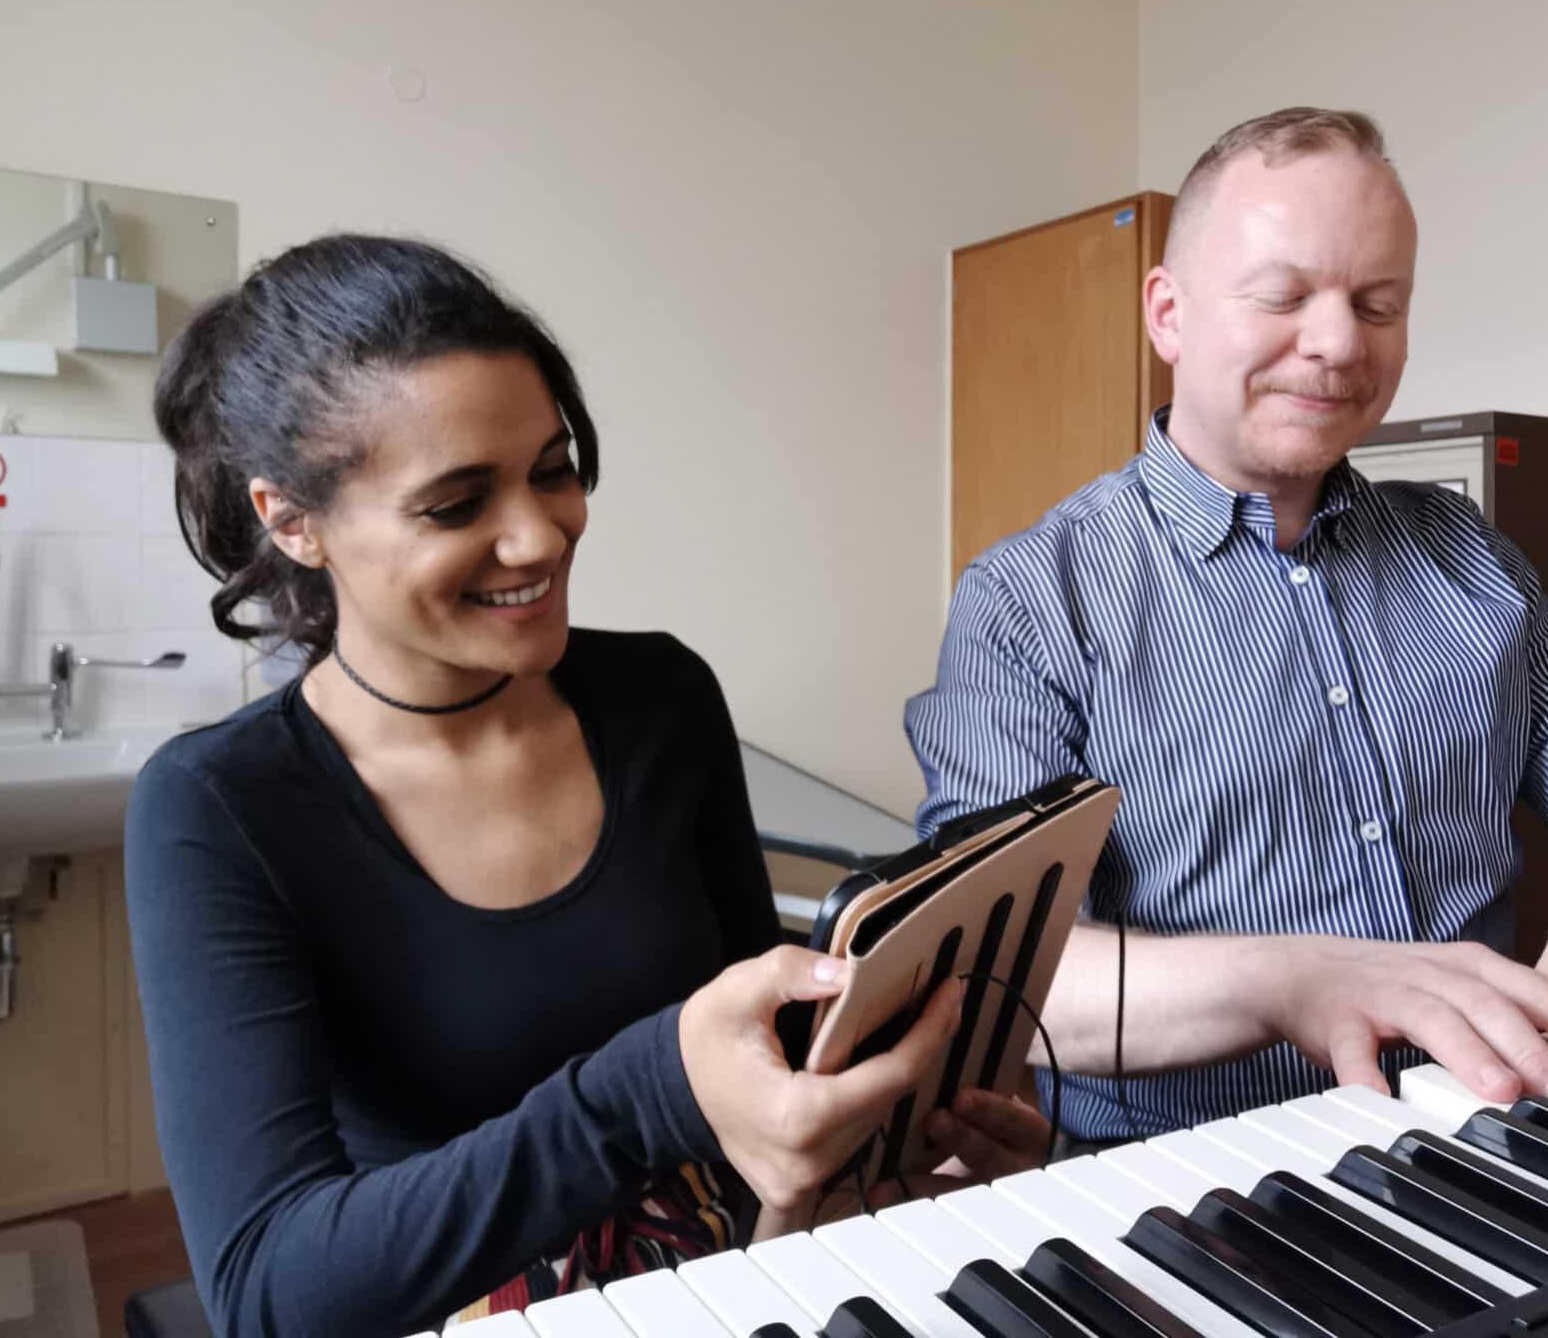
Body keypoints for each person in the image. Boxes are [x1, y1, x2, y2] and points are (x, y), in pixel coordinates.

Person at [129, 235, 1043, 1337]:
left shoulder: (661, 696)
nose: (540, 533)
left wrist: (881, 1137)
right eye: (458, 504)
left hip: (743, 1281)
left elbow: (763, 1047)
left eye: (552, 469)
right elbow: (273, 1292)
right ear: (293, 522)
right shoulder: (218, 807)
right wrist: (650, 1087)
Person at [906, 107, 1548, 1143]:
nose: (1336, 343)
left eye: (1377, 304)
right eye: (1283, 295)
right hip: (1184, 1176)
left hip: (1483, 1130)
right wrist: (1293, 978)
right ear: (1168, 313)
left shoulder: (1469, 554)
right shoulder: (1028, 599)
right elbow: (995, 970)